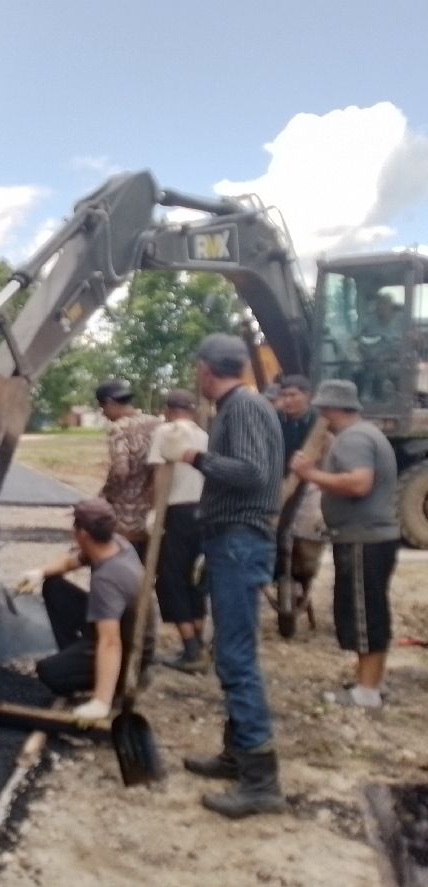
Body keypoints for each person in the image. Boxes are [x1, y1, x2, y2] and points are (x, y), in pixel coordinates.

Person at [175, 334, 286, 819]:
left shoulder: (241, 408)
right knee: (230, 651)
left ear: (205, 368)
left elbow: (252, 473)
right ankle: (235, 755)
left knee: (238, 657)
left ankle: (261, 783)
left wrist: (196, 458)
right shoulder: (246, 406)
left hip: (240, 540)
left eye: (196, 368)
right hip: (234, 539)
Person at [290, 379, 399, 711]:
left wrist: (311, 474)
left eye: (322, 408)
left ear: (330, 408)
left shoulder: (354, 439)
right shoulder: (361, 435)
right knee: (370, 611)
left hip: (363, 539)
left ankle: (366, 693)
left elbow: (359, 483)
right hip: (368, 537)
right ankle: (370, 684)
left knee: (364, 615)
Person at [11, 498, 152, 722]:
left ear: (83, 534)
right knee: (53, 585)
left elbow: (110, 642)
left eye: (75, 526)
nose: (72, 531)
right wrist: (38, 572)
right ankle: (75, 655)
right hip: (119, 625)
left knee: (51, 673)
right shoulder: (115, 543)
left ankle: (113, 681)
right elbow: (69, 562)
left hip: (130, 646)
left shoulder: (109, 579)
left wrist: (101, 702)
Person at [147, 389, 209, 673]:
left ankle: (191, 649)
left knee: (170, 579)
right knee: (193, 577)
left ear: (168, 410)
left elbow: (161, 473)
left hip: (177, 510)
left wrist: (156, 513)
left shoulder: (166, 432)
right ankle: (198, 639)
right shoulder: (202, 434)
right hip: (202, 510)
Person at [276, 374, 326, 616]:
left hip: (312, 486)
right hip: (283, 487)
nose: (288, 400)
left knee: (308, 541)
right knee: (277, 536)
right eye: (284, 395)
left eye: (293, 395)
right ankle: (281, 580)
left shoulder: (320, 423)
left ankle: (304, 581)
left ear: (308, 396)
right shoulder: (277, 422)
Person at [94, 379, 159, 561]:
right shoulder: (155, 423)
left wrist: (104, 495)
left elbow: (120, 470)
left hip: (125, 518)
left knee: (120, 564)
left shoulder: (119, 428)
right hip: (151, 514)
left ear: (110, 403)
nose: (105, 415)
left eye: (103, 409)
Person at [357, 292, 403, 400]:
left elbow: (410, 341)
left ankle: (395, 398)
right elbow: (357, 340)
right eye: (380, 305)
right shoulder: (369, 322)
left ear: (391, 306)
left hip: (397, 362)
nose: (382, 308)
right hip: (372, 361)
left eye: (386, 304)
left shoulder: (402, 320)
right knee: (360, 372)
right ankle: (366, 398)